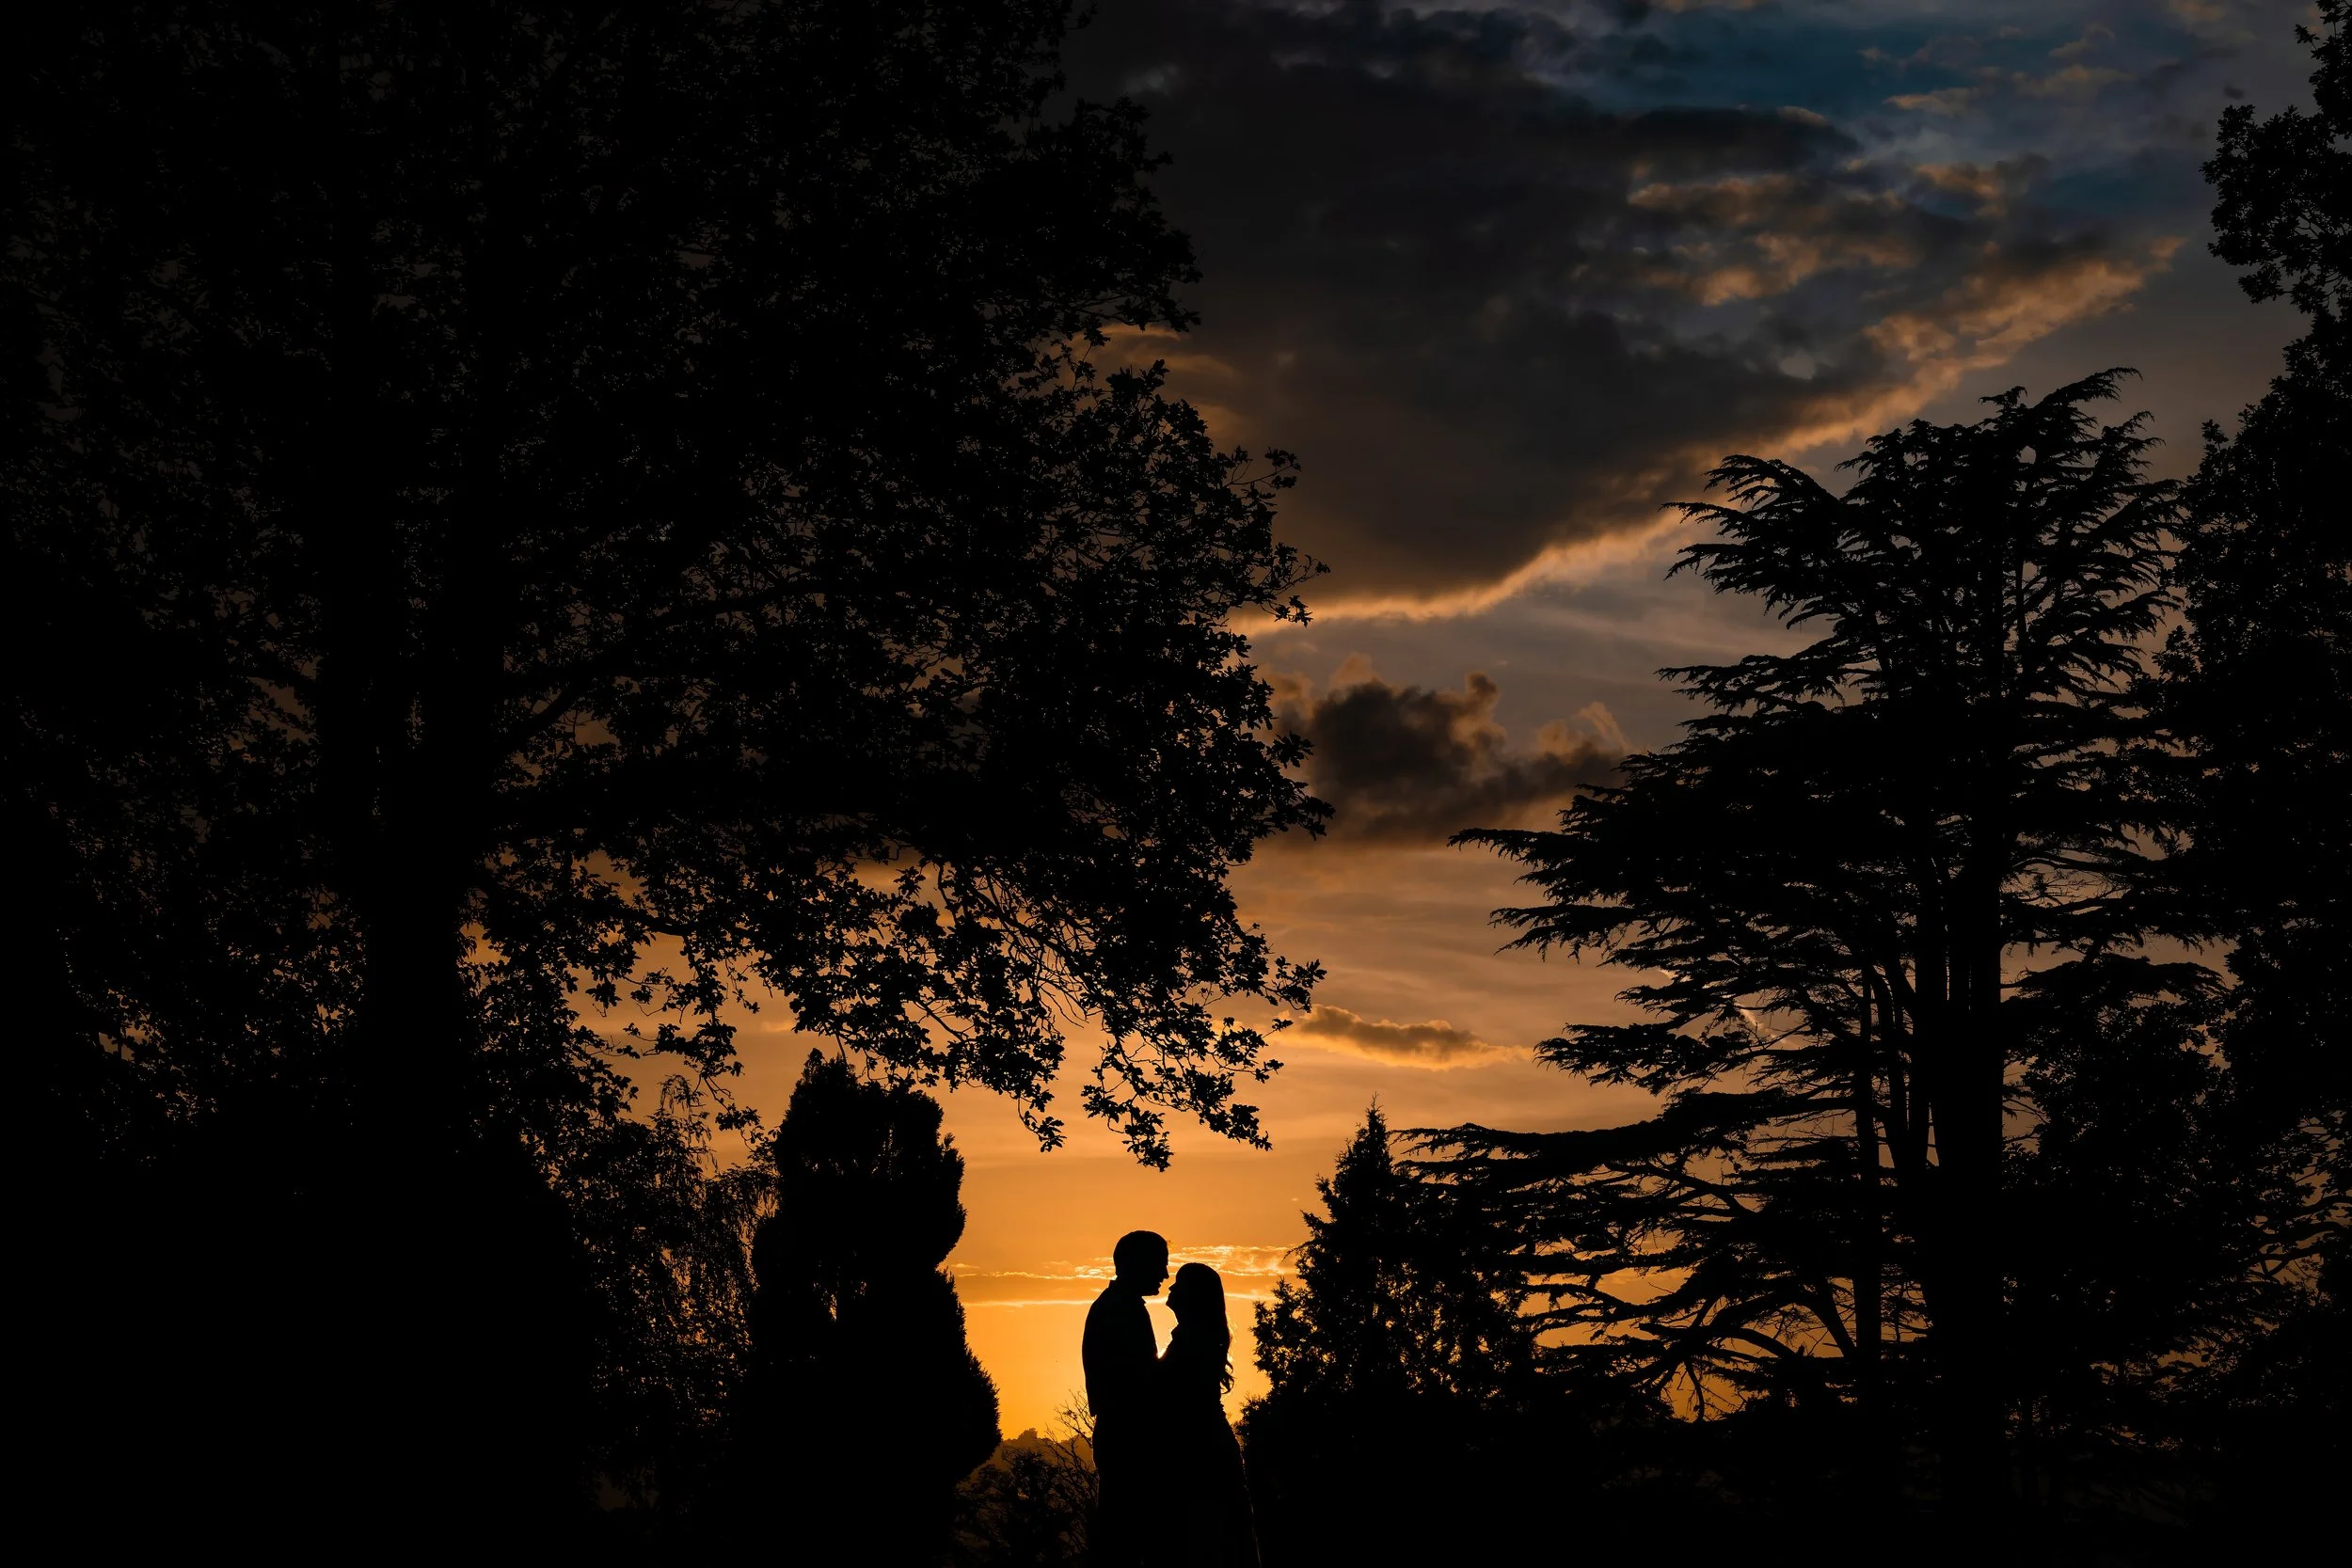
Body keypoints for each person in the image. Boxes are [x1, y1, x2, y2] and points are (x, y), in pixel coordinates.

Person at [1153, 1263, 1261, 1567]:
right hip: (1205, 1452)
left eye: (1179, 1284)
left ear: (1194, 1297)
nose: (1171, 1289)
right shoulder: (1190, 1340)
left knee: (1210, 1546)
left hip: (1203, 1456)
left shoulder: (1192, 1345)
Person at [1086, 1229, 1169, 1566]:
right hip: (1129, 1439)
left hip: (1121, 1436)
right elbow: (1138, 1382)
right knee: (1127, 1540)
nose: (1165, 1274)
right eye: (1160, 1265)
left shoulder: (1117, 1306)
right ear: (1137, 1263)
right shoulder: (1121, 1311)